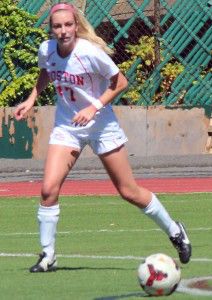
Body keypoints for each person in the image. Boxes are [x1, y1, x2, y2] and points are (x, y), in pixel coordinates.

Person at [14, 2, 191, 273]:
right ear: (51, 29)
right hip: (68, 126)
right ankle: (48, 256)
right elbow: (46, 73)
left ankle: (174, 230)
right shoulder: (46, 50)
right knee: (48, 190)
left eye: (68, 25)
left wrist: (93, 107)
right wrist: (31, 98)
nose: (63, 31)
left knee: (128, 191)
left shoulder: (89, 52)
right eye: (57, 26)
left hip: (101, 125)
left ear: (76, 26)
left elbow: (120, 83)